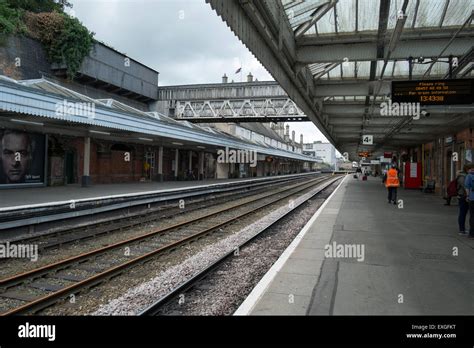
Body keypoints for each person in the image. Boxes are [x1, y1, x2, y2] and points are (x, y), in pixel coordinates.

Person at [456, 166, 469, 235]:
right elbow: (465, 186)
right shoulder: (462, 177)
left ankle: (463, 229)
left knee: (464, 212)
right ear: (467, 169)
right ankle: (461, 230)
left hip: (465, 196)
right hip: (463, 196)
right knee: (463, 213)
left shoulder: (465, 176)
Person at [463, 165, 474, 238]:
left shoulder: (469, 176)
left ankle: (472, 234)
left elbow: (467, 187)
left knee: (472, 216)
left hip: (472, 198)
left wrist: (467, 196)